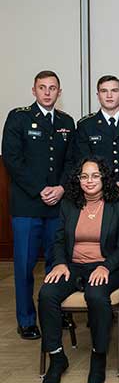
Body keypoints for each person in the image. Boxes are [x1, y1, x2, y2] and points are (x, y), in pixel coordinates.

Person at [38, 157, 119, 383]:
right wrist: (59, 263)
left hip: (108, 266)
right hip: (73, 266)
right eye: (84, 176)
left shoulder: (117, 204)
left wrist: (105, 266)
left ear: (104, 178)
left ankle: (98, 356)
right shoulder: (70, 204)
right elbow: (59, 240)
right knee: (47, 294)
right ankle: (57, 357)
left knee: (96, 295)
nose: (89, 181)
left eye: (95, 175)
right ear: (78, 180)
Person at [2, 70, 75, 340]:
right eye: (42, 87)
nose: (47, 92)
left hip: (58, 205)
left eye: (52, 88)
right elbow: (12, 159)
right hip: (27, 206)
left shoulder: (67, 121)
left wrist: (61, 188)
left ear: (59, 92)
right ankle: (27, 320)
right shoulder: (19, 117)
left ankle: (56, 314)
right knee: (24, 267)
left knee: (58, 264)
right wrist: (40, 189)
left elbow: (71, 161)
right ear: (33, 90)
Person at [73, 75, 119, 203]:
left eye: (114, 91)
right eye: (104, 91)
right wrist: (105, 186)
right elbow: (83, 160)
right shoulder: (85, 125)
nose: (109, 95)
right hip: (97, 195)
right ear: (98, 95)